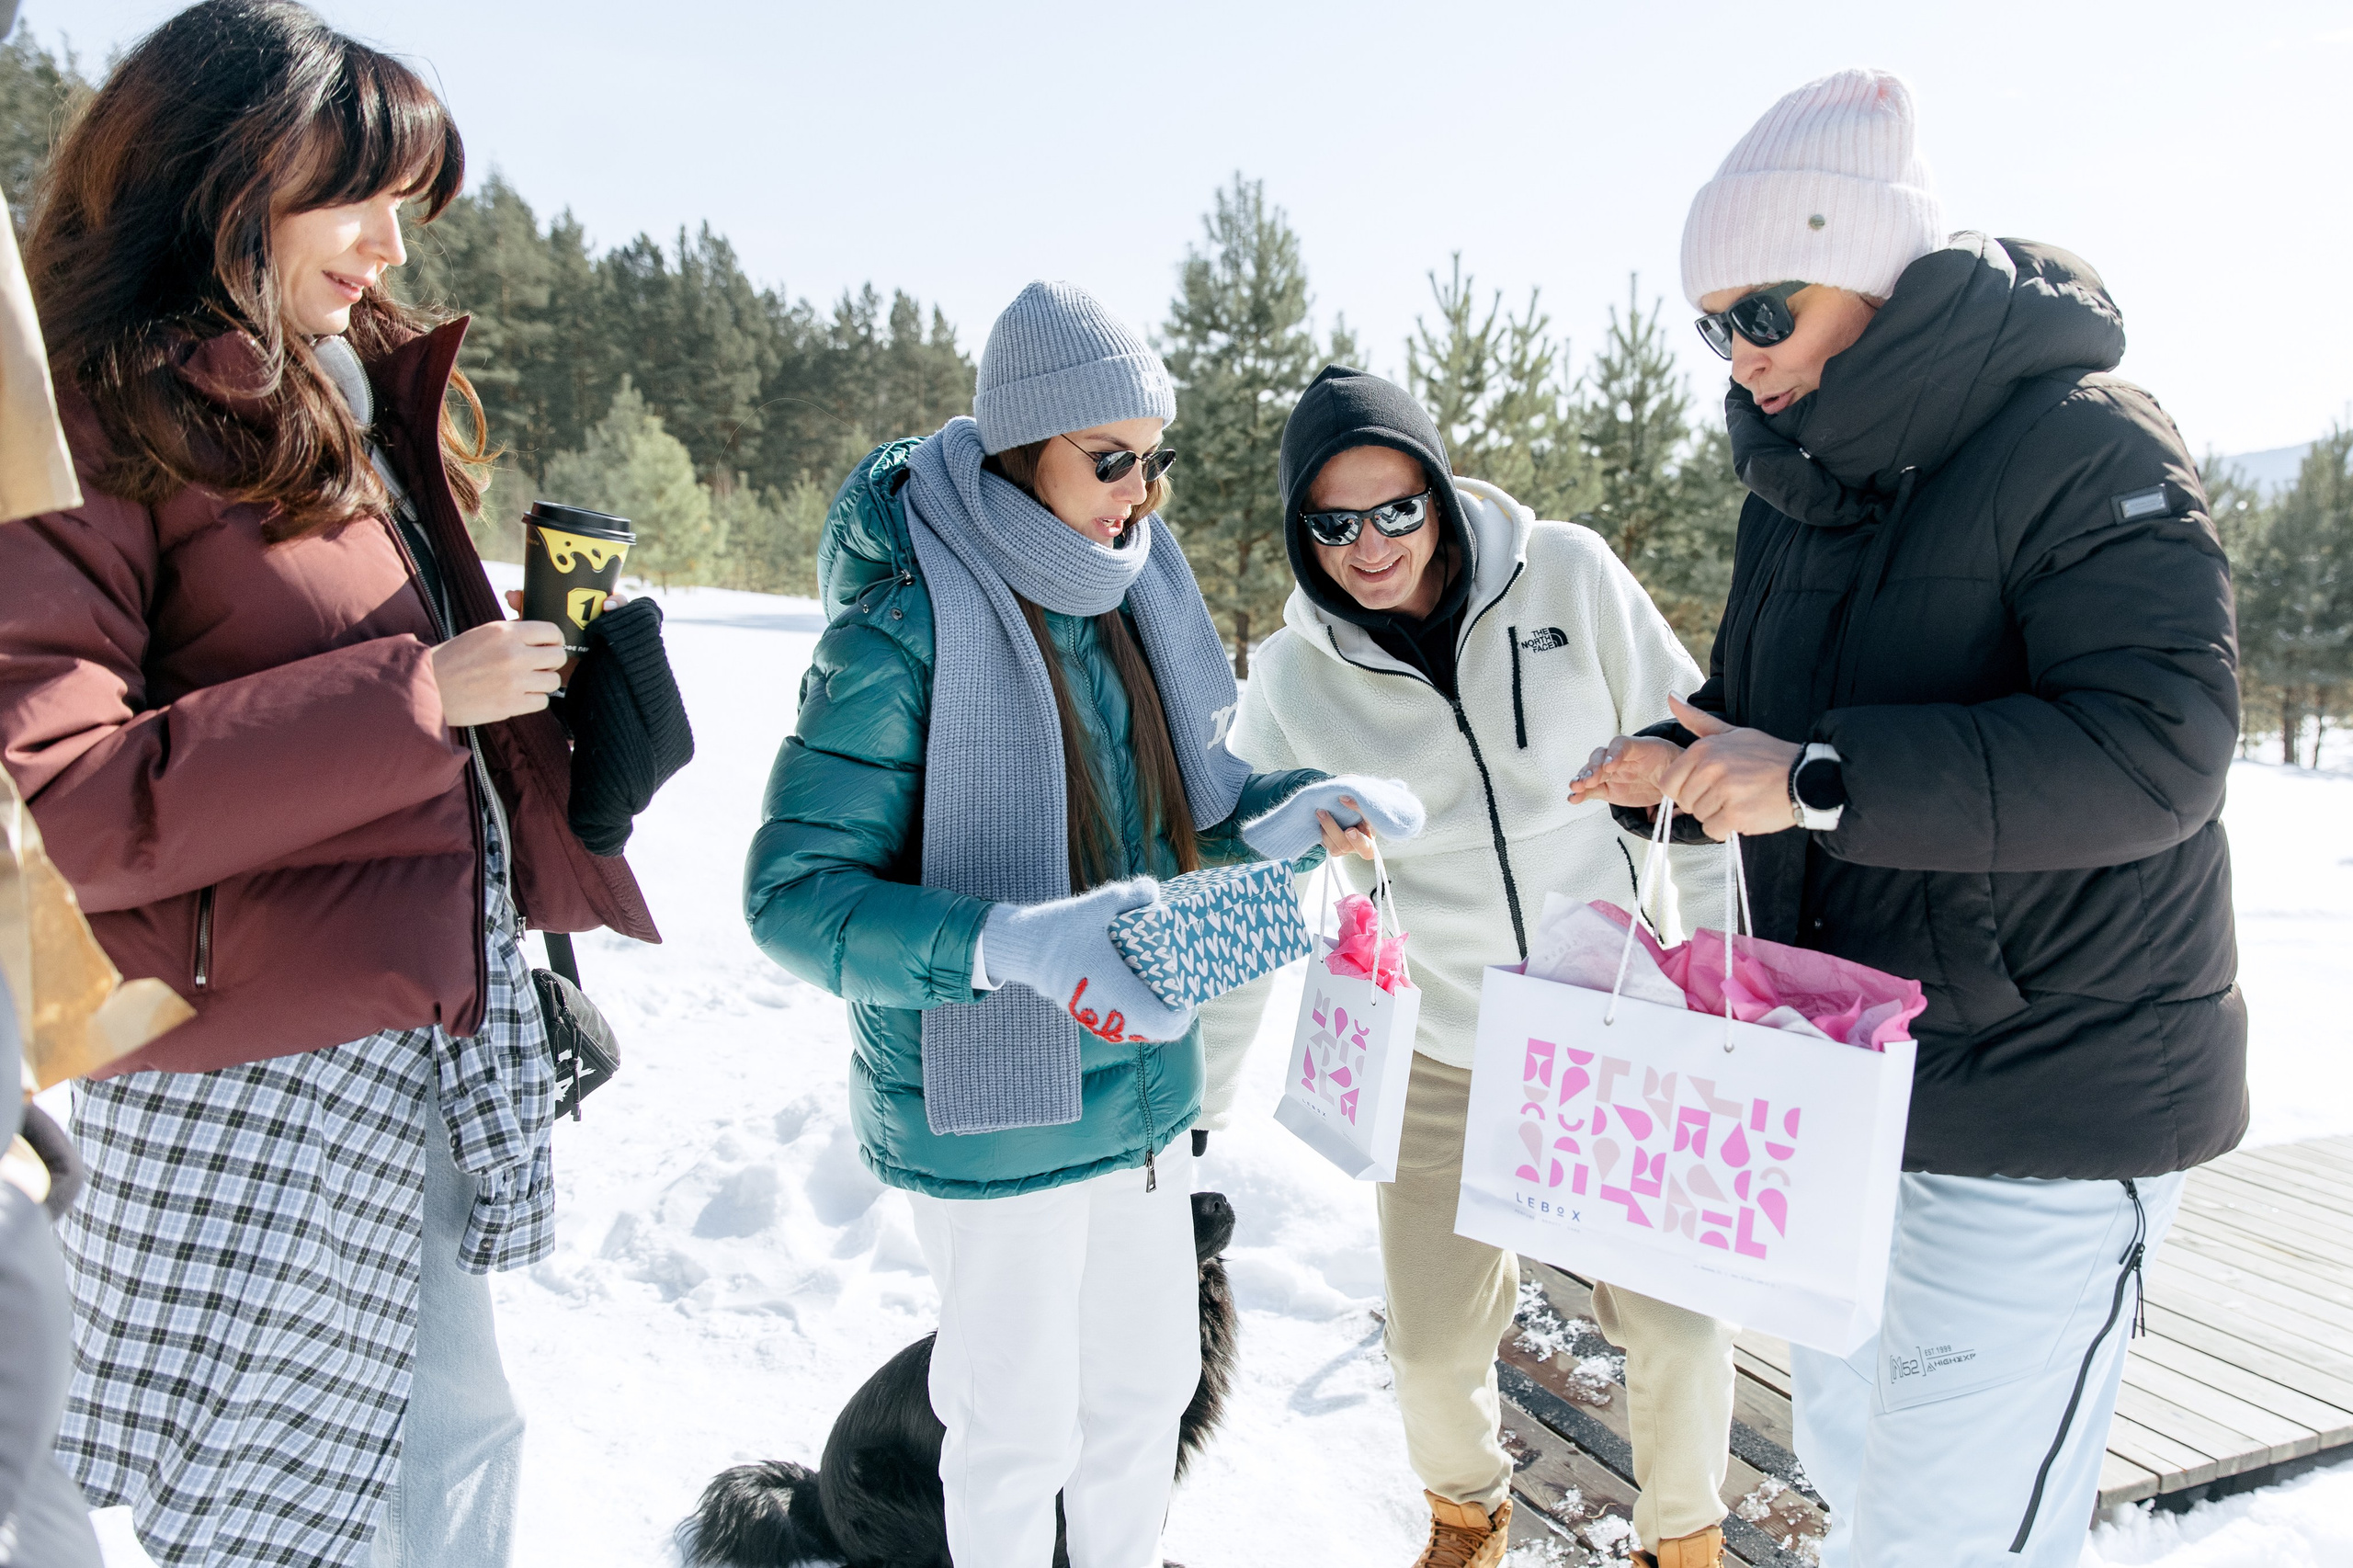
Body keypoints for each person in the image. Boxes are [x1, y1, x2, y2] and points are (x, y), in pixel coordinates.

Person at [0, 4, 660, 1564]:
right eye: (353, 198)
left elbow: (392, 749)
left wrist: (576, 762)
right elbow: (71, 794)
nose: (387, 248)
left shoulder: (334, 406)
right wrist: (419, 692)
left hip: (406, 1041)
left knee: (448, 1457)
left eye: (407, 209)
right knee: (292, 1511)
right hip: (244, 1077)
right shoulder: (89, 415)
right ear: (222, 175)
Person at [1573, 68, 2244, 1568]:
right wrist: (1676, 776)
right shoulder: (1802, 486)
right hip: (1858, 1098)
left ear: (1876, 270)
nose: (1737, 356)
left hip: (2053, 1103)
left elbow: (2162, 751)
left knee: (1955, 1541)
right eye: (1713, 322)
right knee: (1856, 1468)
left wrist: (1814, 778)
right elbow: (1759, 717)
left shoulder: (2091, 445)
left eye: (1766, 308)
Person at [743, 279, 1423, 1567]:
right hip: (989, 1104)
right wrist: (1007, 945)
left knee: (1144, 1391)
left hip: (1142, 1083)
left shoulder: (1127, 598)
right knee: (1014, 1432)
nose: (1142, 495)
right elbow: (792, 899)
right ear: (1020, 445)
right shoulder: (905, 625)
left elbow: (1180, 817)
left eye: (1153, 460)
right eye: (1110, 460)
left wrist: (1285, 809)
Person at [1208, 365, 1737, 1568]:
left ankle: (1686, 1539)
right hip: (1441, 1046)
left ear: (1439, 494)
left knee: (1681, 1322)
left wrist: (1712, 976)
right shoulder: (1293, 679)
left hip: (1610, 1019)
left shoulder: (1570, 574)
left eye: (1396, 507)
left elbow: (1699, 765)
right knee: (1436, 1347)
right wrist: (1298, 819)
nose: (1370, 545)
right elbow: (1237, 854)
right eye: (1333, 523)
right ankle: (1466, 1513)